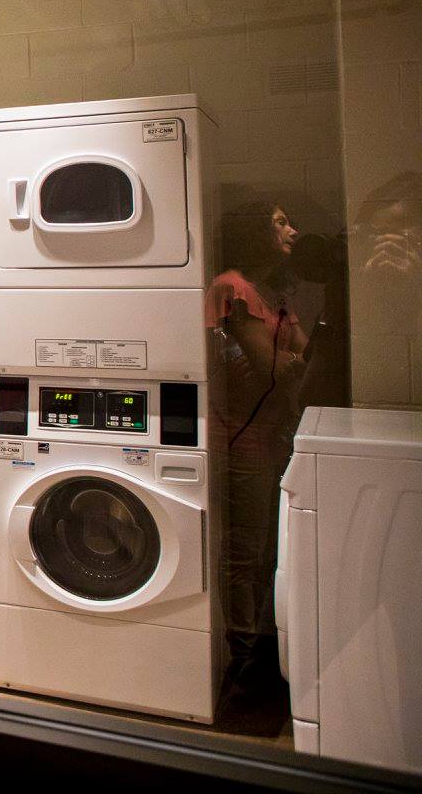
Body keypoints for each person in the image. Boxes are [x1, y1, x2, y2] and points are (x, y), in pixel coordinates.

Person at [206, 201, 310, 697]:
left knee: (270, 545)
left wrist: (292, 360)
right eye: (279, 224)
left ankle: (267, 647)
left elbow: (305, 358)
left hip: (275, 431)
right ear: (254, 233)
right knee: (246, 548)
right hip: (242, 434)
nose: (292, 231)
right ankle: (242, 658)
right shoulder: (234, 287)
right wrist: (291, 359)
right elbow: (277, 367)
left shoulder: (272, 292)